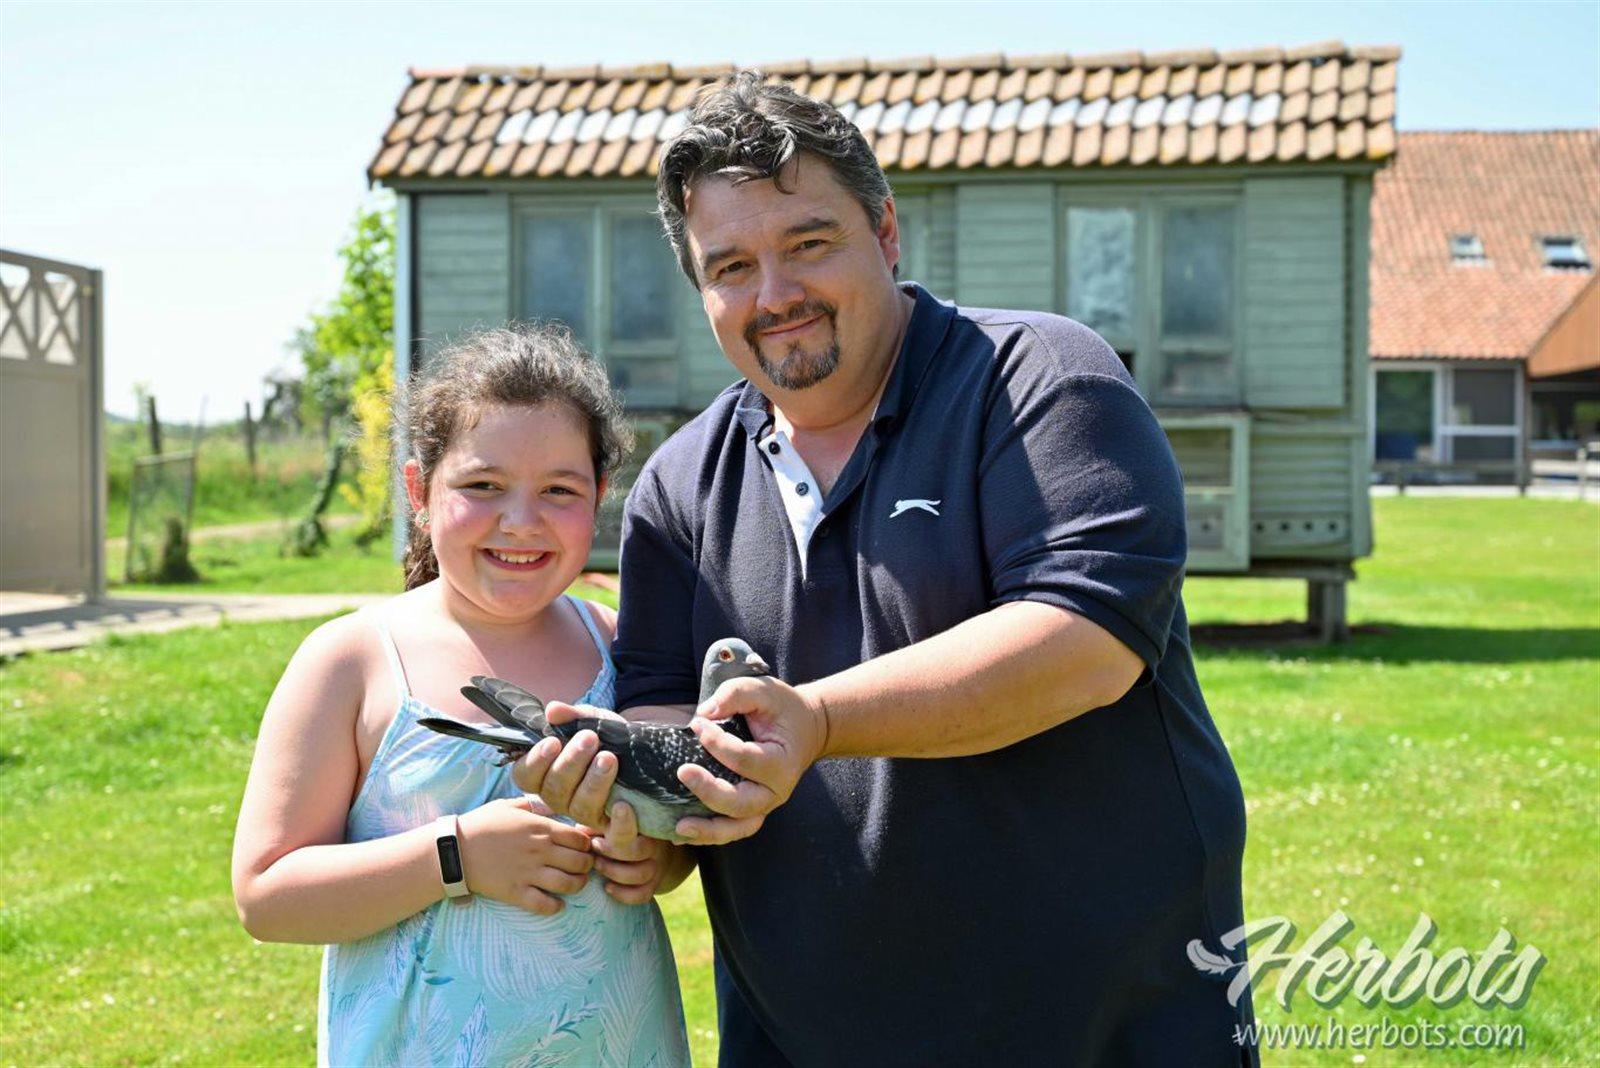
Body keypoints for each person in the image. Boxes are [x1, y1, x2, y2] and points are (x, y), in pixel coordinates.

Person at [517, 72, 1257, 1066]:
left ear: (886, 232)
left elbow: (1088, 642)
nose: (773, 296)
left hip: (1107, 1031)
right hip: (801, 1038)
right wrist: (642, 819)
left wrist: (815, 723)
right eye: (729, 265)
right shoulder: (678, 487)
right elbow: (664, 718)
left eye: (808, 245)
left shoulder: (1038, 381)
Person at [232, 325, 692, 1066]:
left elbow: (668, 843)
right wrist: (455, 858)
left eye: (559, 491)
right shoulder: (352, 661)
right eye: (482, 486)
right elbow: (266, 894)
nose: (521, 520)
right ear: (419, 490)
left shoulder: (621, 646)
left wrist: (654, 860)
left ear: (598, 498)